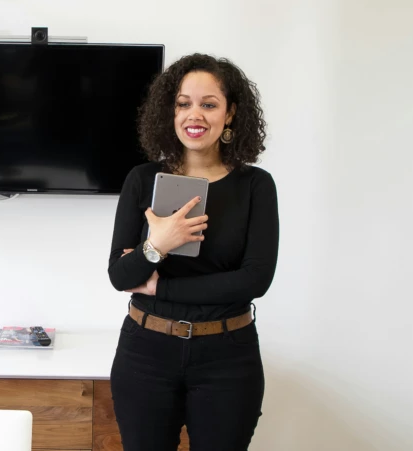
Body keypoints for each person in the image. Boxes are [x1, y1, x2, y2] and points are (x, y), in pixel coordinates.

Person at [107, 53, 279, 451]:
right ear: (170, 111)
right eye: (183, 103)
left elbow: (254, 280)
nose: (194, 115)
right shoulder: (142, 179)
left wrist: (160, 288)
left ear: (231, 113)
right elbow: (120, 276)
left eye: (209, 104)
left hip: (227, 357)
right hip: (145, 353)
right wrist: (157, 245)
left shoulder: (256, 186)